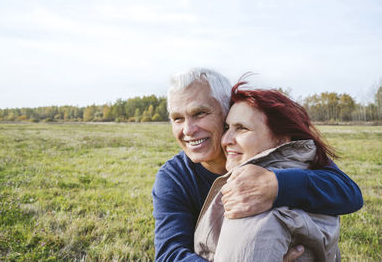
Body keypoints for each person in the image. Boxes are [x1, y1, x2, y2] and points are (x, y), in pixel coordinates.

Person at [152, 68, 363, 261]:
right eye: (177, 118)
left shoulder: (271, 156)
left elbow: (349, 193)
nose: (188, 130)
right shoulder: (173, 177)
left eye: (200, 113)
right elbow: (170, 254)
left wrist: (276, 185)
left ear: (227, 110)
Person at [194, 80, 344, 261]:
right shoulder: (307, 169)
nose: (226, 140)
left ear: (281, 140)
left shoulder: (251, 204)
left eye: (242, 128)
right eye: (227, 127)